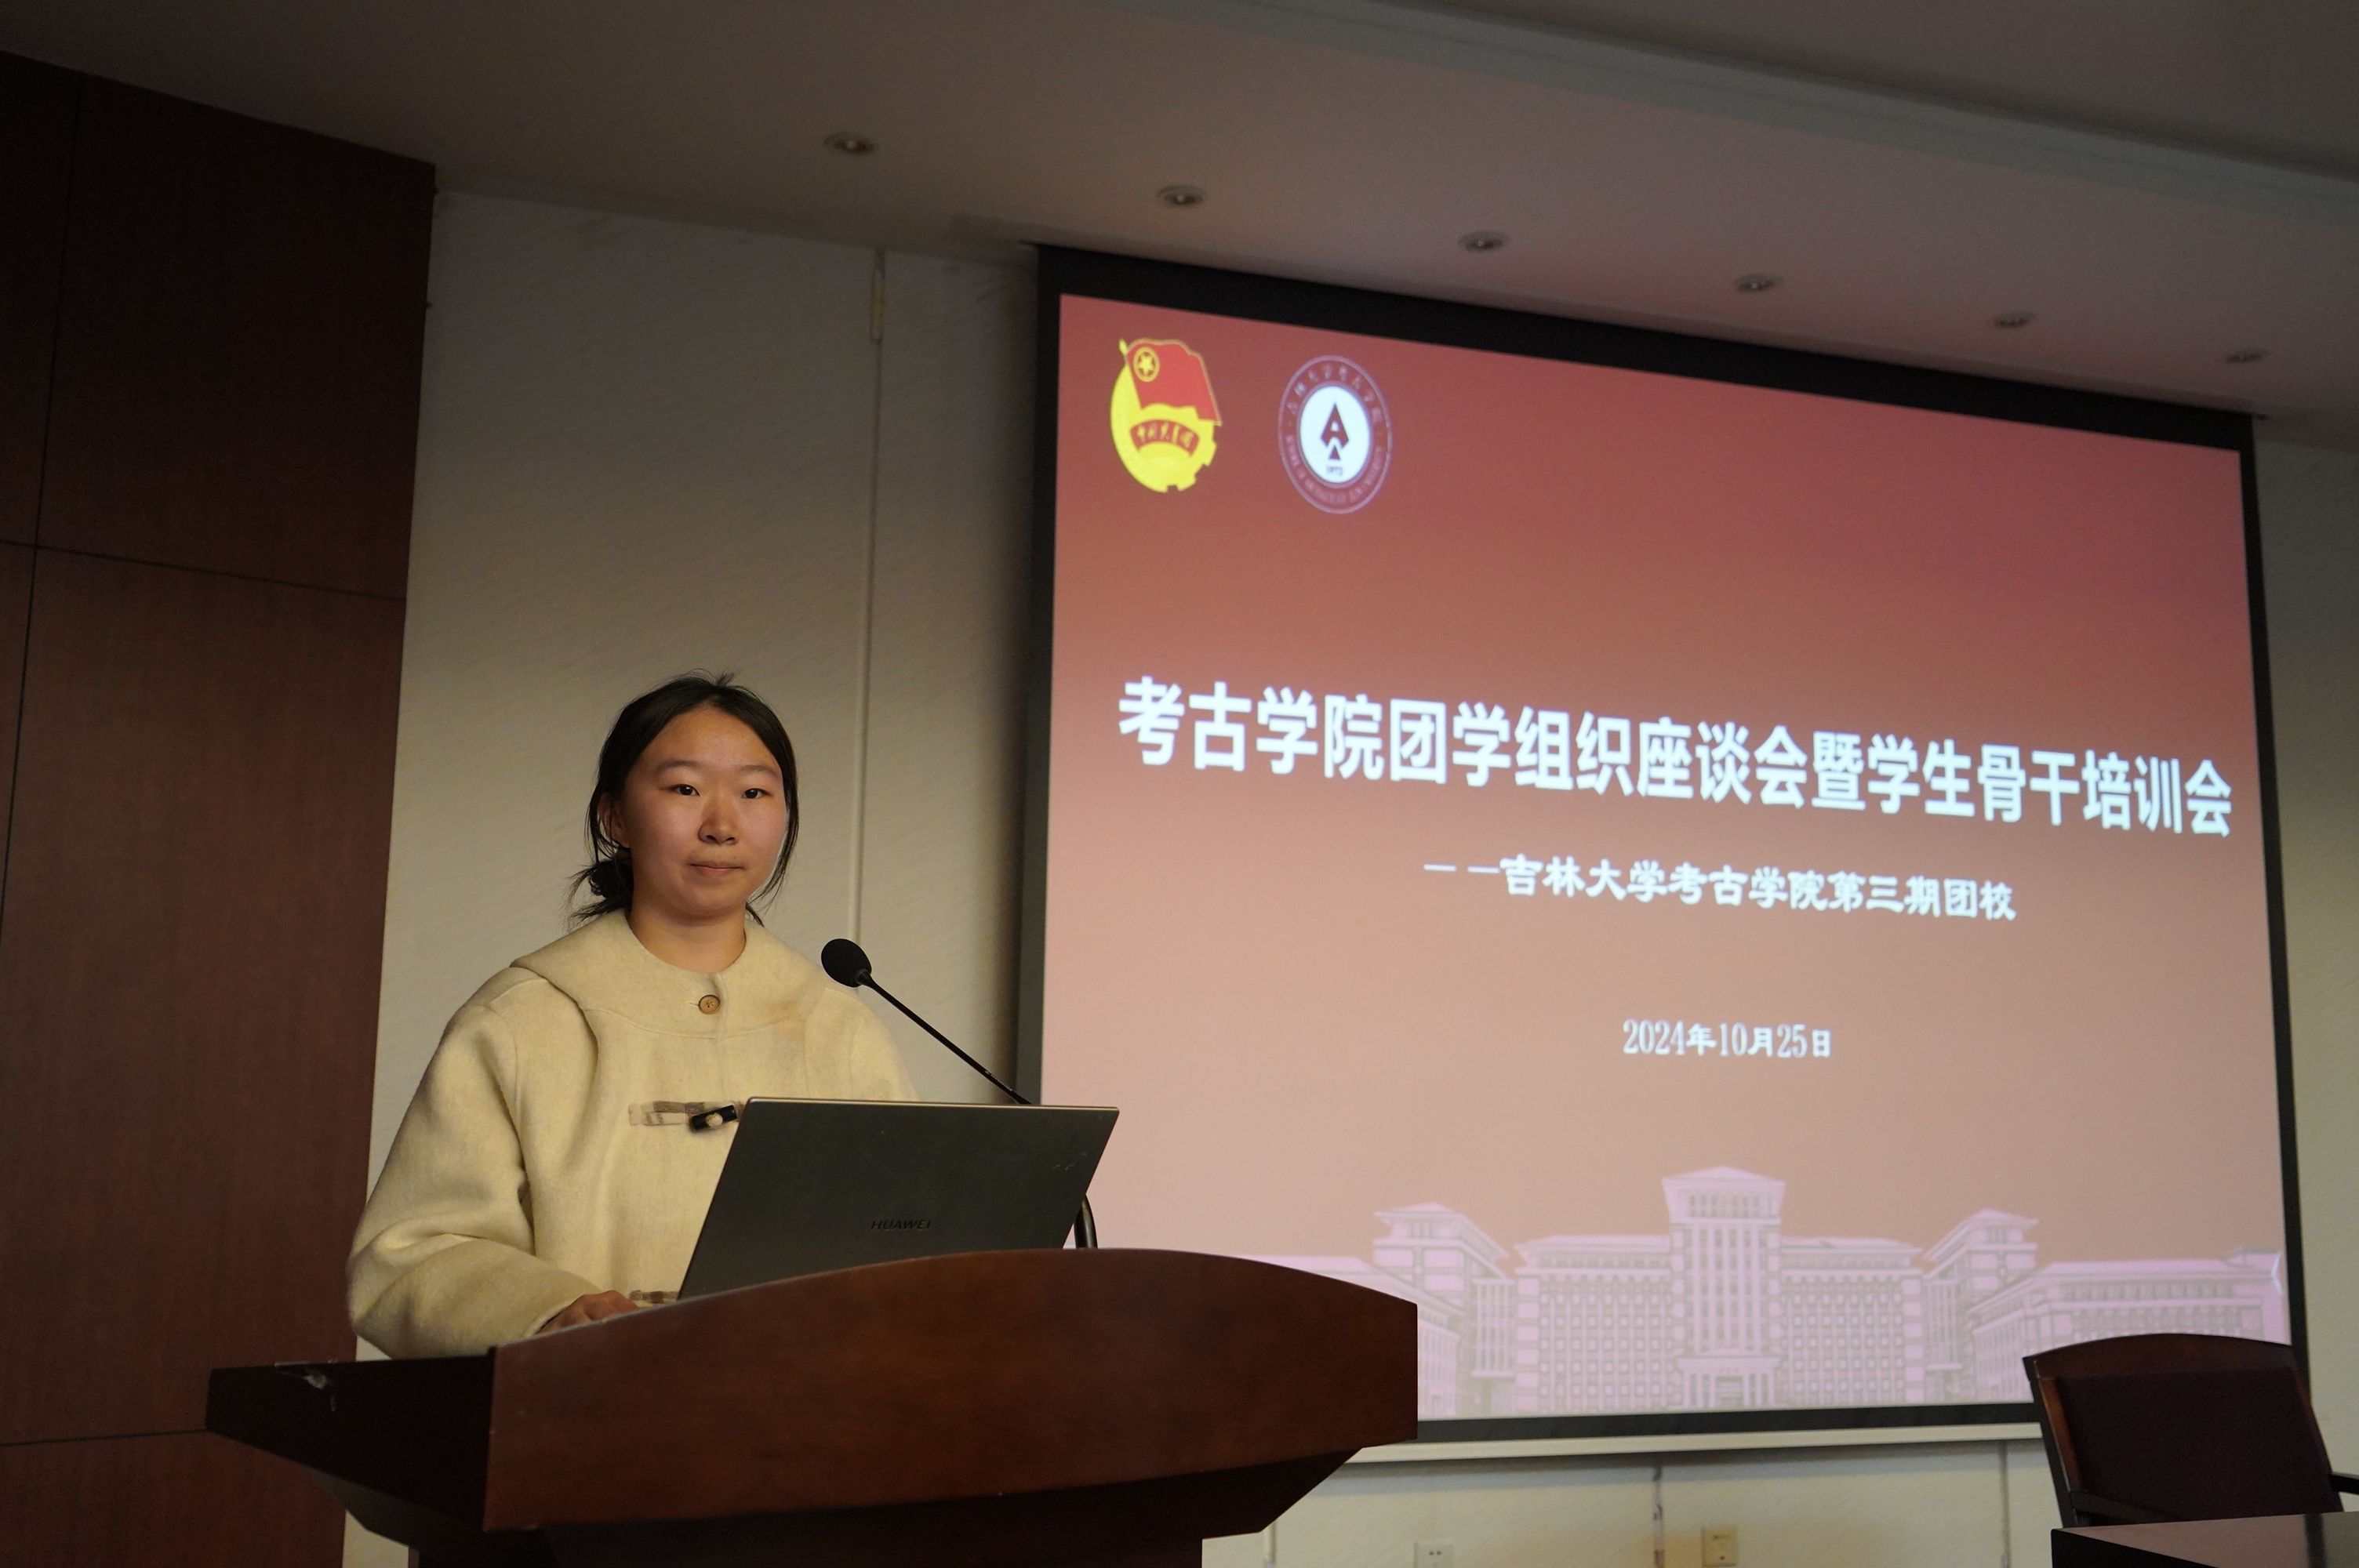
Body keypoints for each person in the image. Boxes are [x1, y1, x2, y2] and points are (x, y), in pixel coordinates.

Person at [348, 673, 914, 1357]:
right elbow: (410, 1255)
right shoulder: (520, 1021)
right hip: (591, 1407)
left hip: (806, 1408)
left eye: (754, 793)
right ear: (614, 817)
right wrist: (551, 1312)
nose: (721, 825)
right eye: (684, 789)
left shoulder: (839, 1027)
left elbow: (909, 1248)